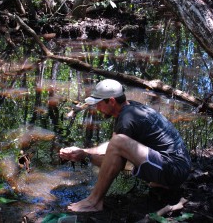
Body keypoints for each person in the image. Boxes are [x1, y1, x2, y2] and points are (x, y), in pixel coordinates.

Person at [59, 79, 191, 212]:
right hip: (177, 167)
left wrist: (86, 157)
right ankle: (163, 184)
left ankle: (94, 201)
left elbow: (115, 150)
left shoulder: (127, 118)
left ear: (111, 101)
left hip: (174, 170)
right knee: (118, 145)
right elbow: (113, 148)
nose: (97, 108)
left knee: (118, 144)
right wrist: (84, 152)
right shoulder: (131, 108)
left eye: (99, 104)